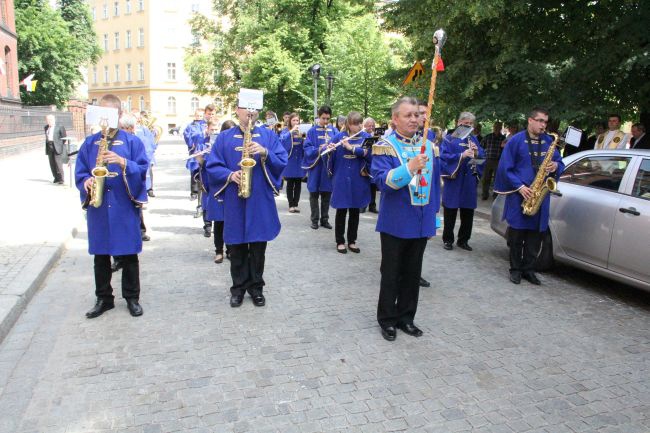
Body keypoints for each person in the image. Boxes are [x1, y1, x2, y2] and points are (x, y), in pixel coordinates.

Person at [206, 93, 288, 308]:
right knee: (237, 246)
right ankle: (238, 288)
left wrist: (265, 152)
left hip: (260, 199)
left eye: (254, 109)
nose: (250, 112)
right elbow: (212, 165)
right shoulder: (224, 138)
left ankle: (256, 287)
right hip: (235, 199)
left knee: (259, 247)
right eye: (246, 108)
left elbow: (282, 160)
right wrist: (229, 175)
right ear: (237, 110)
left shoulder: (268, 136)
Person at [371, 96, 440, 342]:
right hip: (396, 221)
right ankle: (387, 319)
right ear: (395, 119)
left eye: (416, 115)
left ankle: (406, 317)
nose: (414, 119)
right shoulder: (384, 145)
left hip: (421, 221)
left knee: (413, 273)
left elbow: (435, 187)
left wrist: (434, 218)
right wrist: (408, 168)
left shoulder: (430, 146)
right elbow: (382, 182)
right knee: (392, 273)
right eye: (407, 115)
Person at [75, 94, 149, 318]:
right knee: (100, 254)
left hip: (123, 205)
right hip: (99, 206)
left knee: (128, 255)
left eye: (109, 113)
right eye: (101, 113)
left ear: (118, 115)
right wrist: (85, 181)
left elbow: (143, 169)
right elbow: (80, 172)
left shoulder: (132, 141)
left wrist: (124, 162)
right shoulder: (90, 143)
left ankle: (132, 298)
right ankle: (103, 298)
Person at [494, 107, 564, 285]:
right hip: (520, 194)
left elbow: (559, 162)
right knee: (517, 236)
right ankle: (515, 269)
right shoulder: (516, 140)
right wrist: (520, 187)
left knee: (535, 236)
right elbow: (505, 168)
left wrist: (556, 166)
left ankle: (529, 269)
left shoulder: (549, 141)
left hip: (540, 195)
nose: (543, 125)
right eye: (540, 121)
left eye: (545, 122)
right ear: (530, 120)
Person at [440, 112, 486, 251]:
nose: (468, 126)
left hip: (468, 181)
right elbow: (444, 157)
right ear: (458, 123)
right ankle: (448, 239)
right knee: (450, 211)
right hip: (454, 179)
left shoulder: (474, 140)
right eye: (465, 123)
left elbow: (482, 159)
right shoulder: (449, 139)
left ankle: (463, 240)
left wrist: (476, 154)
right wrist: (461, 155)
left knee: (468, 212)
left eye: (471, 124)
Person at [328, 112, 371, 254]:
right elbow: (328, 151)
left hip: (358, 178)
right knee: (341, 209)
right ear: (348, 124)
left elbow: (369, 154)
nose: (359, 126)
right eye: (355, 124)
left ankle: (352, 241)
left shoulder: (367, 137)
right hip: (342, 177)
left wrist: (351, 148)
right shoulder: (339, 136)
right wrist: (329, 149)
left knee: (355, 210)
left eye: (360, 123)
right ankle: (340, 241)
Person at [303, 106, 338, 230]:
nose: (326, 121)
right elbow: (307, 149)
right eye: (323, 118)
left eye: (328, 119)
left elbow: (339, 146)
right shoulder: (312, 131)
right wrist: (320, 148)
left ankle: (325, 219)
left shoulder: (334, 131)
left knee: (326, 194)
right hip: (316, 167)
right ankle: (314, 220)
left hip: (327, 168)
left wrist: (334, 147)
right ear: (319, 117)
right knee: (314, 194)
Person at [203, 119, 233, 264]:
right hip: (219, 188)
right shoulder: (216, 147)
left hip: (233, 187)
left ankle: (231, 249)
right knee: (219, 222)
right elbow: (211, 169)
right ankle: (219, 250)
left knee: (232, 221)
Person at [184, 105, 215, 199]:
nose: (211, 116)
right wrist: (204, 133)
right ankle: (195, 192)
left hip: (212, 152)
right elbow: (192, 136)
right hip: (200, 151)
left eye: (213, 114)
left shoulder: (216, 123)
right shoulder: (197, 124)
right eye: (209, 114)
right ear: (205, 114)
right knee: (196, 172)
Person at [280, 112, 306, 213]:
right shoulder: (286, 131)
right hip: (290, 160)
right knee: (290, 183)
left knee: (298, 183)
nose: (296, 122)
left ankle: (296, 204)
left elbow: (305, 144)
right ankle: (291, 204)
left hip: (299, 160)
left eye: (297, 120)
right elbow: (281, 141)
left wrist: (304, 137)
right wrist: (291, 132)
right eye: (294, 120)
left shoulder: (302, 131)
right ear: (290, 121)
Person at [480, 122, 505, 200]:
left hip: (498, 161)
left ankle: (495, 195)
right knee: (486, 178)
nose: (497, 128)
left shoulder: (503, 138)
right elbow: (481, 147)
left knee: (497, 179)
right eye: (495, 126)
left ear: (501, 128)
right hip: (488, 159)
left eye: (498, 127)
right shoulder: (488, 136)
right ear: (493, 127)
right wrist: (483, 155)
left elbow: (506, 149)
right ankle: (485, 194)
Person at [44, 114, 68, 184]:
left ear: (54, 120)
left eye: (51, 120)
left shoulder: (60, 127)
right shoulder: (46, 127)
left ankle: (61, 179)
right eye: (48, 120)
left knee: (58, 164)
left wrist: (61, 146)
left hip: (57, 146)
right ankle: (56, 178)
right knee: (52, 163)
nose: (49, 121)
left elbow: (64, 138)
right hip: (49, 146)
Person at [362, 117, 379, 214]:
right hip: (365, 162)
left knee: (373, 185)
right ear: (365, 126)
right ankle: (363, 205)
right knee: (365, 185)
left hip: (373, 162)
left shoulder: (376, 136)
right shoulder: (363, 135)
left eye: (373, 125)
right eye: (369, 125)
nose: (371, 127)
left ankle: (372, 205)